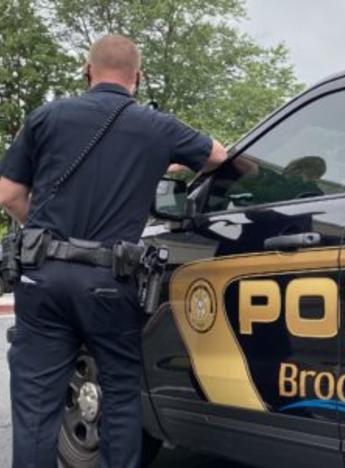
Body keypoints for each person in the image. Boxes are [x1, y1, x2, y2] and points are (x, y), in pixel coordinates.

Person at [0, 34, 227, 467]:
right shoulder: (156, 126)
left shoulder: (47, 116)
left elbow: (9, 194)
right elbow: (218, 155)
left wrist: (48, 239)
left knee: (35, 408)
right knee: (121, 398)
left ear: (88, 71)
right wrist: (159, 159)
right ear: (137, 78)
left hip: (42, 276)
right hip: (111, 279)